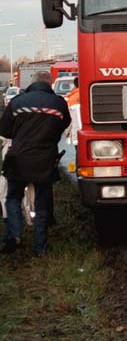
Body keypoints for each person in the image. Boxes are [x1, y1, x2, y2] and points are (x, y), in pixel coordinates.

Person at [1, 71, 70, 255]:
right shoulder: (59, 103)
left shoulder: (16, 102)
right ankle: (40, 247)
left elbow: (5, 130)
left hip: (18, 159)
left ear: (32, 83)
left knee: (13, 198)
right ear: (50, 84)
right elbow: (64, 126)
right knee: (41, 204)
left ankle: (14, 235)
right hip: (45, 160)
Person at [65, 77, 81, 165]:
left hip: (77, 132)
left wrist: (66, 133)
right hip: (93, 131)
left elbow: (68, 120)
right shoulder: (91, 94)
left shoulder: (71, 99)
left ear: (75, 85)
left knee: (79, 153)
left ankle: (79, 170)